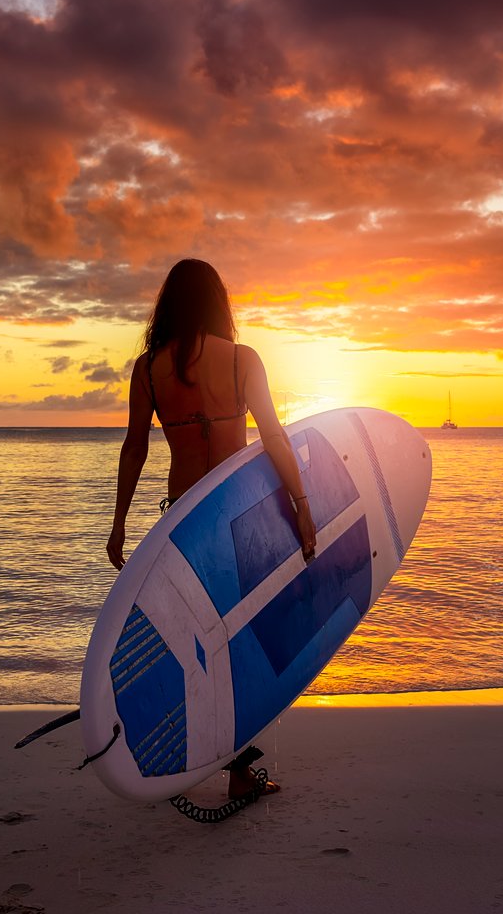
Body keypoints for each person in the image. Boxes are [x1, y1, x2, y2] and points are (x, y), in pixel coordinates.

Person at [104, 258, 316, 799]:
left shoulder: (149, 370)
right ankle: (240, 771)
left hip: (182, 521)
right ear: (219, 304)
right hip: (237, 515)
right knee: (240, 641)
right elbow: (273, 436)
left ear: (167, 307)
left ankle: (183, 744)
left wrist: (120, 523)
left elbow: (135, 447)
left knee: (194, 642)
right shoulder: (243, 360)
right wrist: (302, 504)